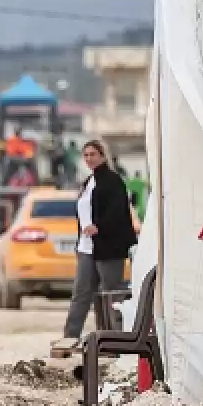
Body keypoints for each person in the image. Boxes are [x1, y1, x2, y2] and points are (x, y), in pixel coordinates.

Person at [63, 140, 138, 340]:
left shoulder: (113, 181)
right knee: (81, 293)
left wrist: (99, 227)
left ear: (103, 156)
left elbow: (116, 213)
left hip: (108, 247)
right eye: (86, 155)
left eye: (93, 154)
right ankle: (70, 337)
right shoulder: (89, 181)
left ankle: (113, 339)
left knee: (111, 295)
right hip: (87, 248)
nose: (89, 159)